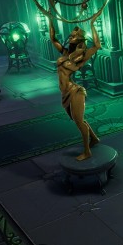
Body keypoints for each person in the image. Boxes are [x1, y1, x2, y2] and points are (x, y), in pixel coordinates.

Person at [49, 19, 101, 161]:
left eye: (73, 36)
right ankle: (94, 138)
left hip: (75, 92)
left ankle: (87, 151)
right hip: (65, 93)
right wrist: (49, 18)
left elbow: (97, 45)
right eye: (70, 35)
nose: (70, 37)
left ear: (79, 39)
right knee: (77, 119)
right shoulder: (65, 53)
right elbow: (53, 38)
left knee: (79, 122)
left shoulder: (81, 56)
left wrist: (92, 25)